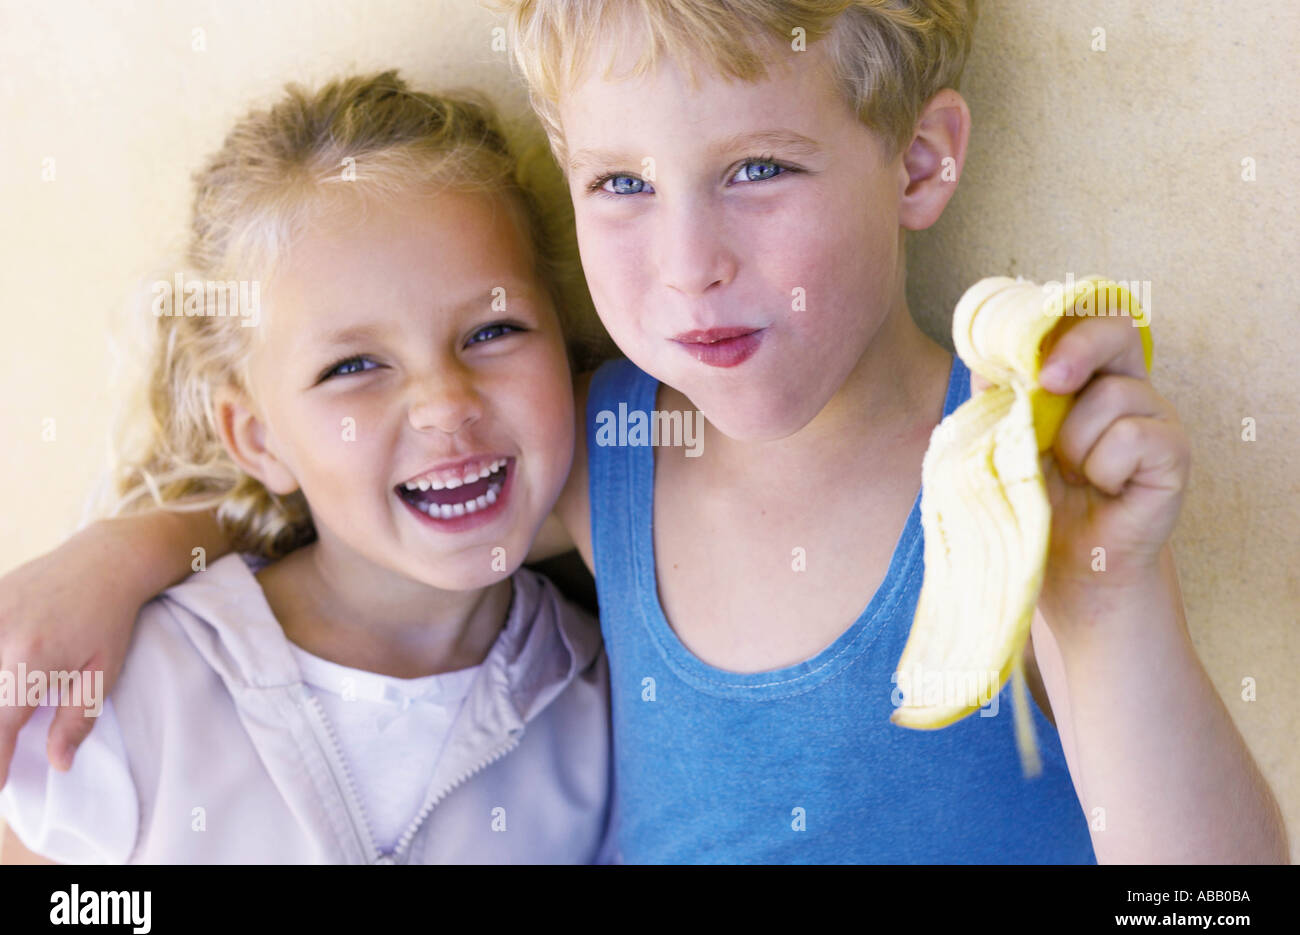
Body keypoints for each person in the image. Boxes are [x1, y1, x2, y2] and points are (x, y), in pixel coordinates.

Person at [1, 1, 1288, 863]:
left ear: (917, 166)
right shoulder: (605, 451)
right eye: (621, 184)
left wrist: (1108, 597)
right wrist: (124, 550)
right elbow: (381, 489)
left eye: (757, 170)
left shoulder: (1018, 486)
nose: (686, 268)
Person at [0, 70, 613, 864]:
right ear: (257, 438)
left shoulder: (604, 704)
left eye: (493, 331)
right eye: (354, 365)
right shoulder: (133, 684)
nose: (444, 403)